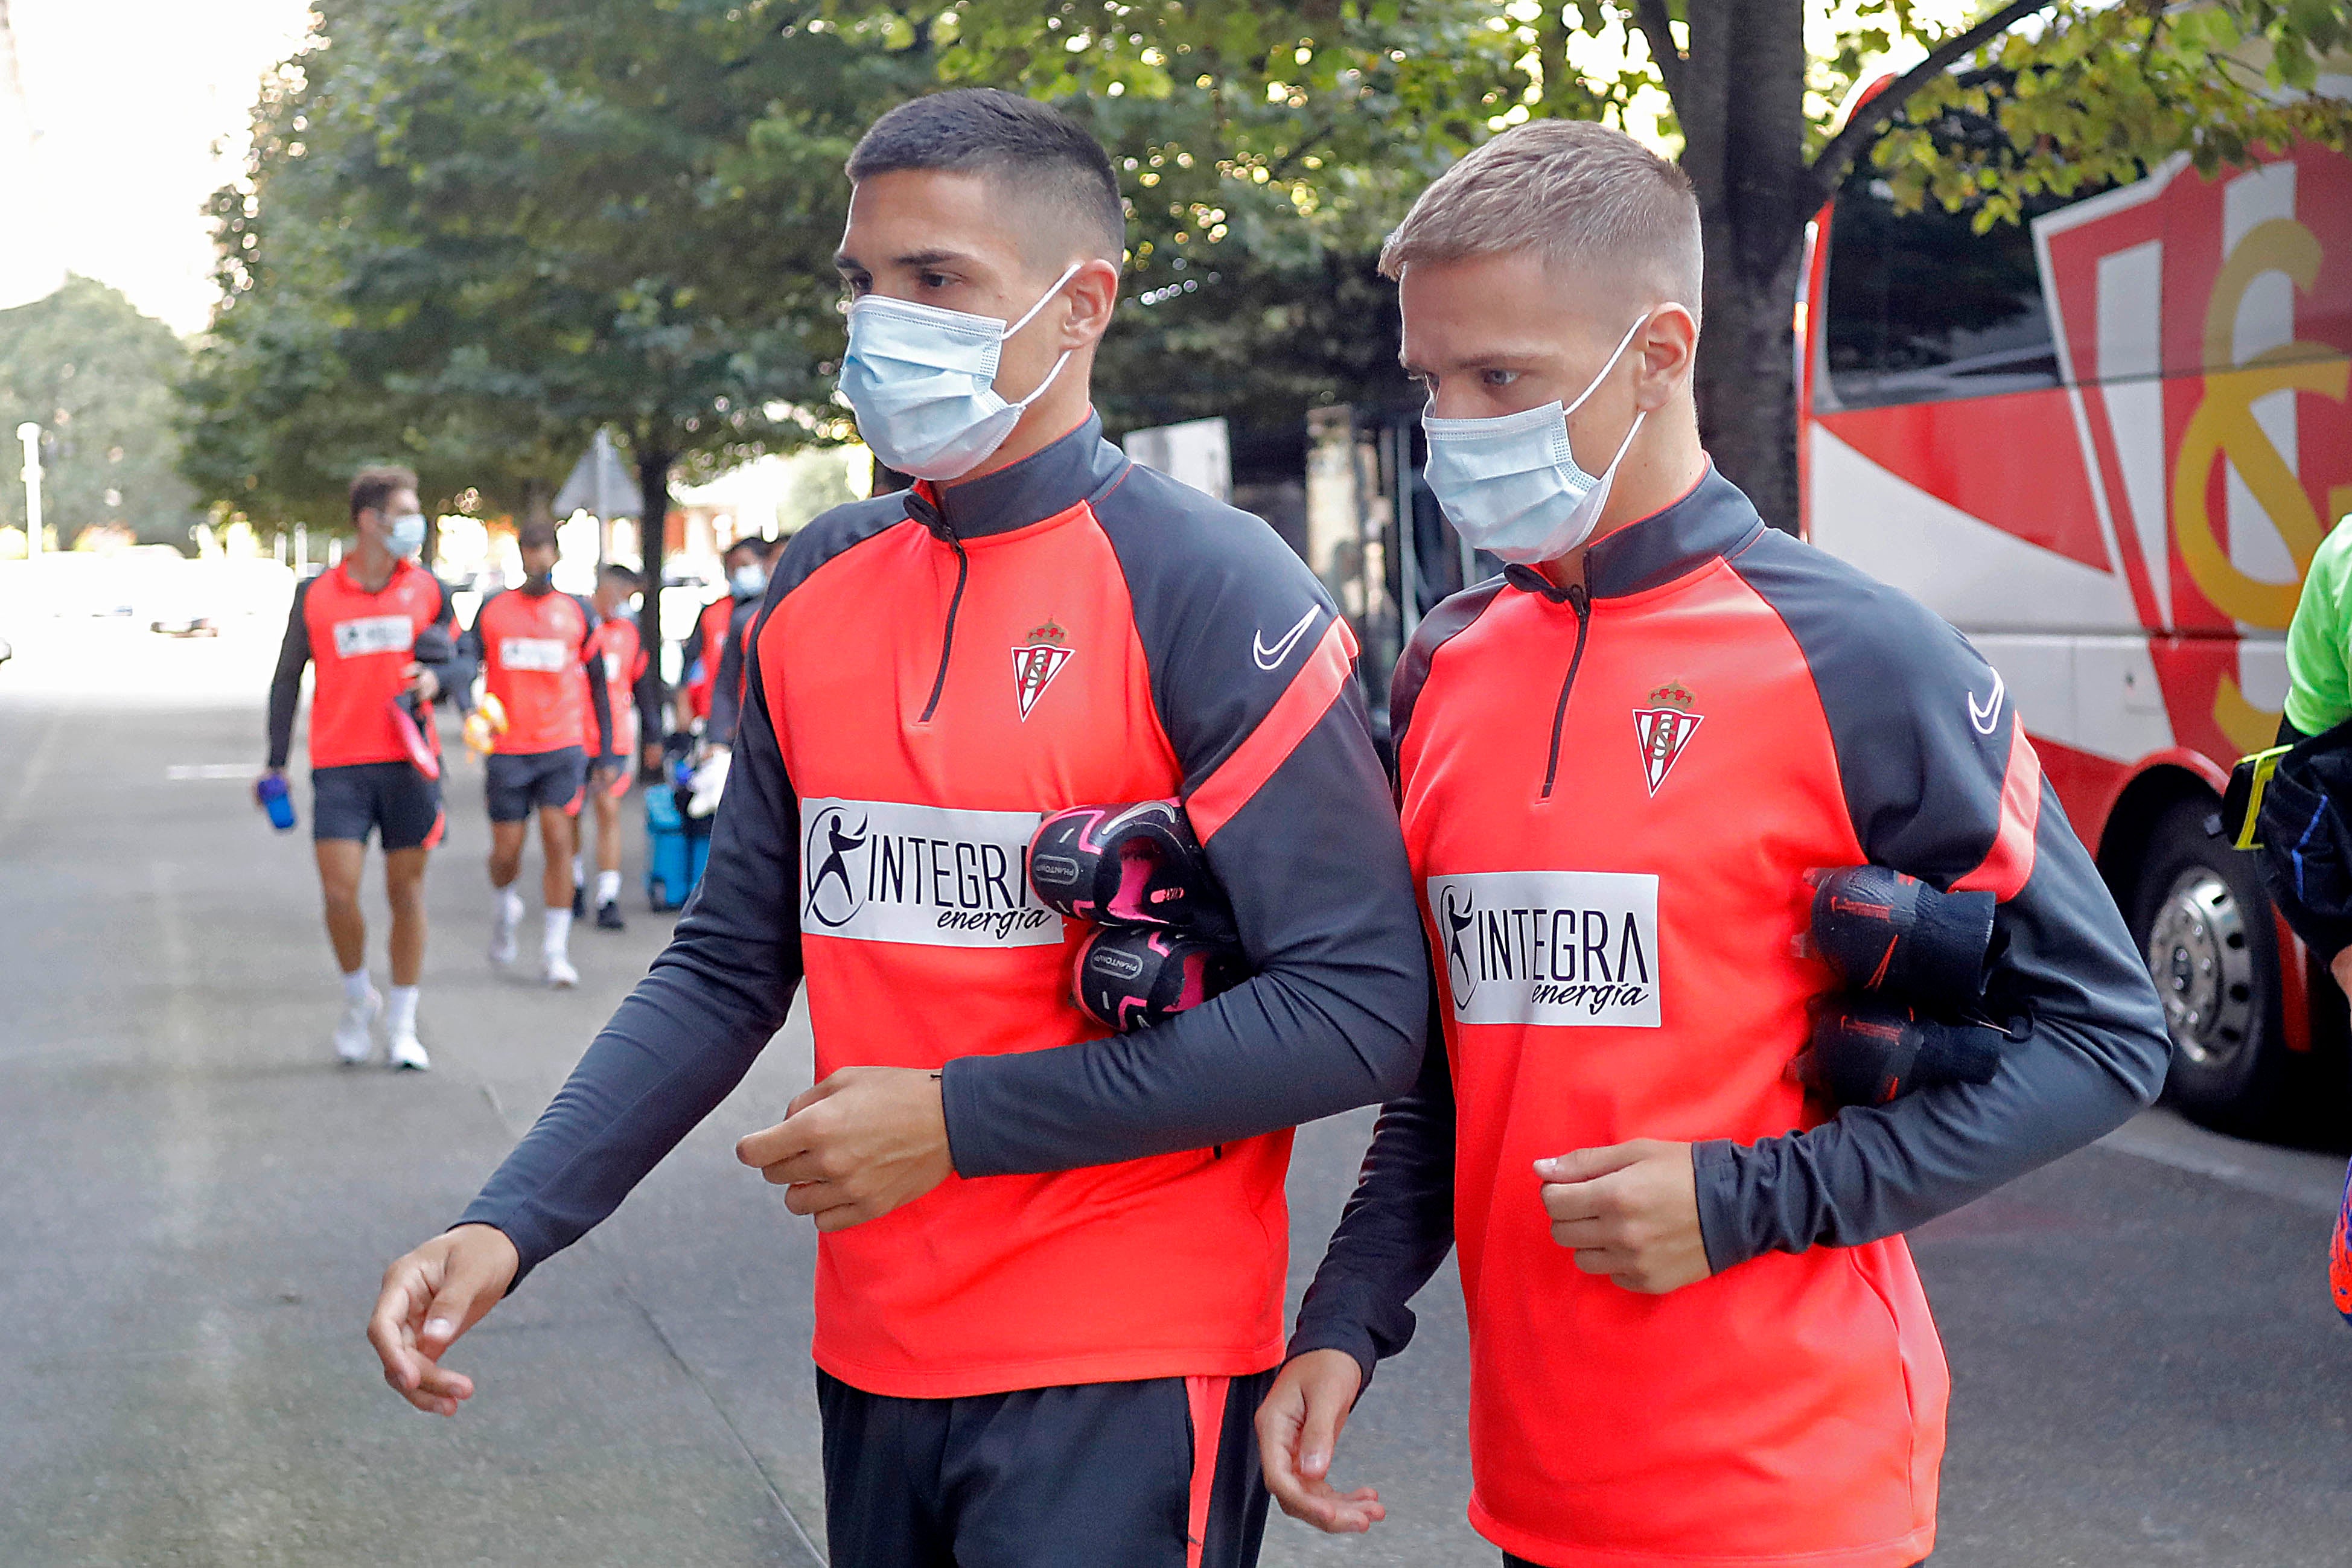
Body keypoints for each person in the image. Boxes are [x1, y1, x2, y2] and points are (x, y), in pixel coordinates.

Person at [367, 88, 1427, 1568]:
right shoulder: (814, 586)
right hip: (874, 1351)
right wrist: (514, 1220)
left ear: (1079, 311)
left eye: (937, 283)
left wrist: (955, 1124)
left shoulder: (1212, 585)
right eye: (863, 283)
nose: (881, 323)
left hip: (1128, 1361)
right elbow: (731, 962)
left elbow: (1364, 1006)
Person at [1255, 120, 2173, 1568]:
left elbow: (2107, 1036)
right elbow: (1462, 1059)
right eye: (1432, 381)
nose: (1455, 423)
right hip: (1539, 1486)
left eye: (1502, 377)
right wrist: (1348, 1316)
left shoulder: (1861, 658)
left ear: (1658, 349)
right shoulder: (1445, 664)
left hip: (1791, 1489)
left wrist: (1745, 1201)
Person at [263, 465, 471, 1071]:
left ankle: (403, 1024)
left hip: (409, 763)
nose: (414, 523)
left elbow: (464, 660)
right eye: (404, 512)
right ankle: (360, 998)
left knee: (406, 892)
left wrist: (437, 679)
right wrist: (274, 762)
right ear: (368, 521)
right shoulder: (316, 594)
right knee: (337, 892)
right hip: (340, 766)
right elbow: (286, 681)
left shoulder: (429, 588)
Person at [460, 521, 617, 988]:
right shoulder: (493, 609)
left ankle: (555, 952)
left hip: (562, 747)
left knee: (558, 843)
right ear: (520, 555)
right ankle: (505, 901)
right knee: (506, 852)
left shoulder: (577, 612)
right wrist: (469, 707)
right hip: (508, 749)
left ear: (556, 555)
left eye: (545, 549)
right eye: (530, 550)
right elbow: (467, 659)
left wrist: (605, 751)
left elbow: (598, 687)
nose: (537, 559)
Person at [584, 563, 666, 930]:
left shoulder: (630, 634)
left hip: (614, 738)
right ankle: (573, 881)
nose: (627, 603)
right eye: (625, 595)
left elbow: (645, 687)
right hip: (572, 736)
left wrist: (654, 736)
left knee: (608, 810)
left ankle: (608, 895)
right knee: (567, 816)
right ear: (607, 589)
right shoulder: (580, 624)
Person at [680, 534, 767, 728]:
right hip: (713, 717)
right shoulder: (712, 613)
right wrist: (684, 708)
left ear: (764, 563)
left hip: (753, 721)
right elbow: (691, 661)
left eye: (745, 566)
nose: (738, 574)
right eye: (732, 569)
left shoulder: (772, 612)